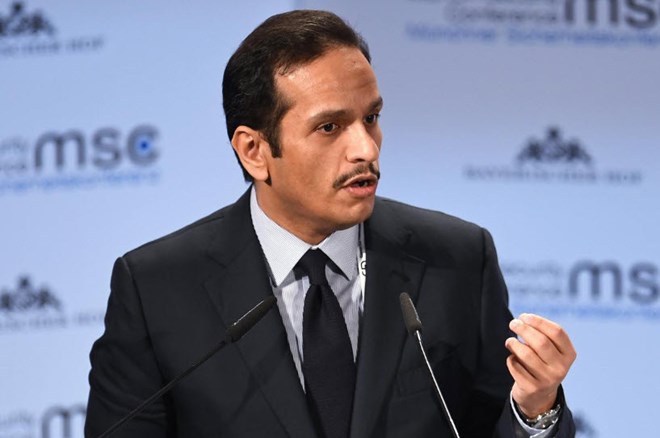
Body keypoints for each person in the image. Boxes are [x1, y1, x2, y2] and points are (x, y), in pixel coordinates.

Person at [85, 10, 577, 438]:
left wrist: (536, 409)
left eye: (372, 118)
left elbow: (492, 424)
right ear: (254, 151)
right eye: (330, 127)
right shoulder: (157, 290)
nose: (365, 148)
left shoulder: (458, 258)